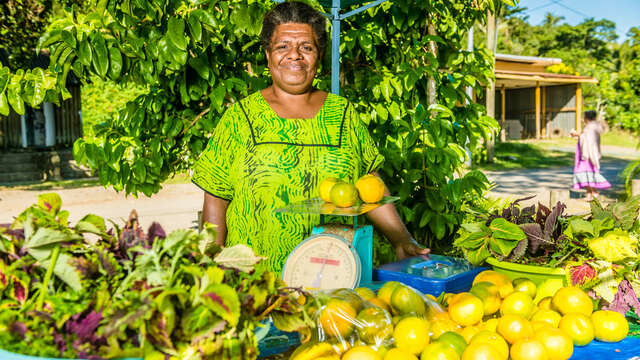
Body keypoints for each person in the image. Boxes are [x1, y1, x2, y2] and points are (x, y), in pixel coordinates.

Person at [191, 1, 428, 273]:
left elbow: (368, 184)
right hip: (255, 285)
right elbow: (216, 198)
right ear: (268, 55)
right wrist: (210, 266)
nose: (295, 56)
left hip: (335, 279)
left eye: (307, 47)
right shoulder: (239, 118)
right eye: (282, 47)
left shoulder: (342, 114)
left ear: (319, 56)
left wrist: (401, 238)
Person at [570, 110, 610, 201]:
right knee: (587, 173)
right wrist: (579, 135)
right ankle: (590, 193)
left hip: (587, 154)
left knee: (586, 173)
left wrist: (577, 134)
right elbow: (587, 137)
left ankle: (593, 193)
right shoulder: (593, 127)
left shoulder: (591, 127)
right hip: (590, 153)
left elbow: (587, 138)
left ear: (586, 118)